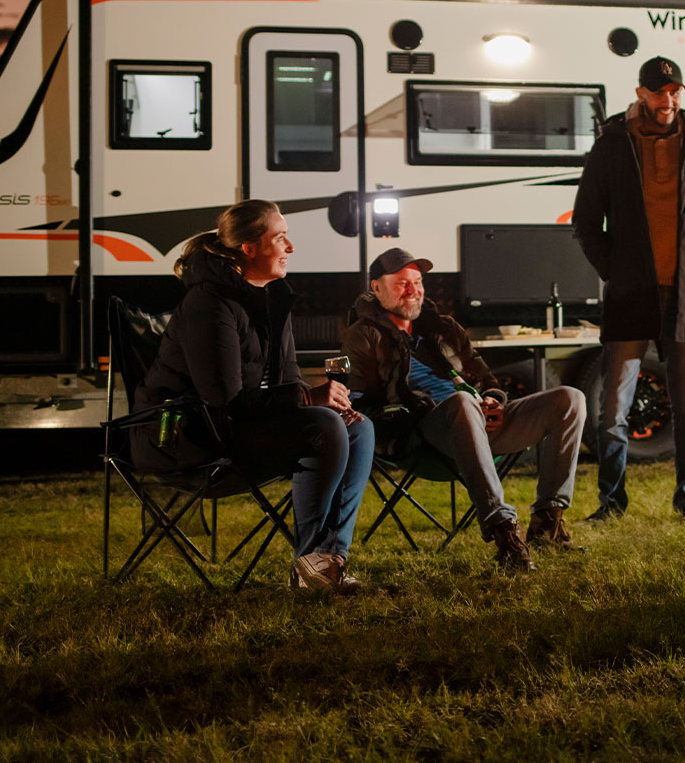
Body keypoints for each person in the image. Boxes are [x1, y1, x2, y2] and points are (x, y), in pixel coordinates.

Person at [137, 199, 374, 595]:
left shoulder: (272, 298)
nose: (290, 248)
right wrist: (308, 399)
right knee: (325, 423)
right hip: (191, 438)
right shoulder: (209, 303)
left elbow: (288, 379)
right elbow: (224, 401)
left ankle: (323, 561)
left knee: (358, 428)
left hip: (240, 429)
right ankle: (314, 559)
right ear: (249, 248)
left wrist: (319, 400)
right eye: (280, 238)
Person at [341, 248, 586, 571]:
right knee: (461, 403)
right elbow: (362, 402)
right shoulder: (362, 336)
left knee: (569, 399)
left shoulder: (443, 328)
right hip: (425, 433)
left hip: (480, 422)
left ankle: (547, 521)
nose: (413, 290)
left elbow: (485, 378)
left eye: (417, 282)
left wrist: (493, 399)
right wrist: (434, 407)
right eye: (402, 283)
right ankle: (503, 531)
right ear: (376, 288)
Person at [572, 55, 685, 519]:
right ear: (641, 93)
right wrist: (615, 270)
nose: (668, 100)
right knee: (612, 413)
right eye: (659, 92)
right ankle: (611, 503)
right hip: (629, 297)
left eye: (675, 91)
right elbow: (585, 220)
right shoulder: (612, 148)